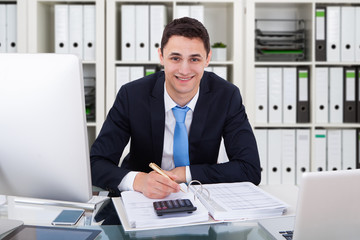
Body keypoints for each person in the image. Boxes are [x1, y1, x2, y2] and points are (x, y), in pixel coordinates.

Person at [90, 17, 261, 200]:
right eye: (175, 58)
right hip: (143, 198)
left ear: (208, 58)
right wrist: (138, 180)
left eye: (194, 59)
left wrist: (185, 174)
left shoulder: (226, 96)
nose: (184, 70)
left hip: (200, 197)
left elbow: (249, 168)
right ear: (161, 57)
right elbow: (95, 163)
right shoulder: (132, 95)